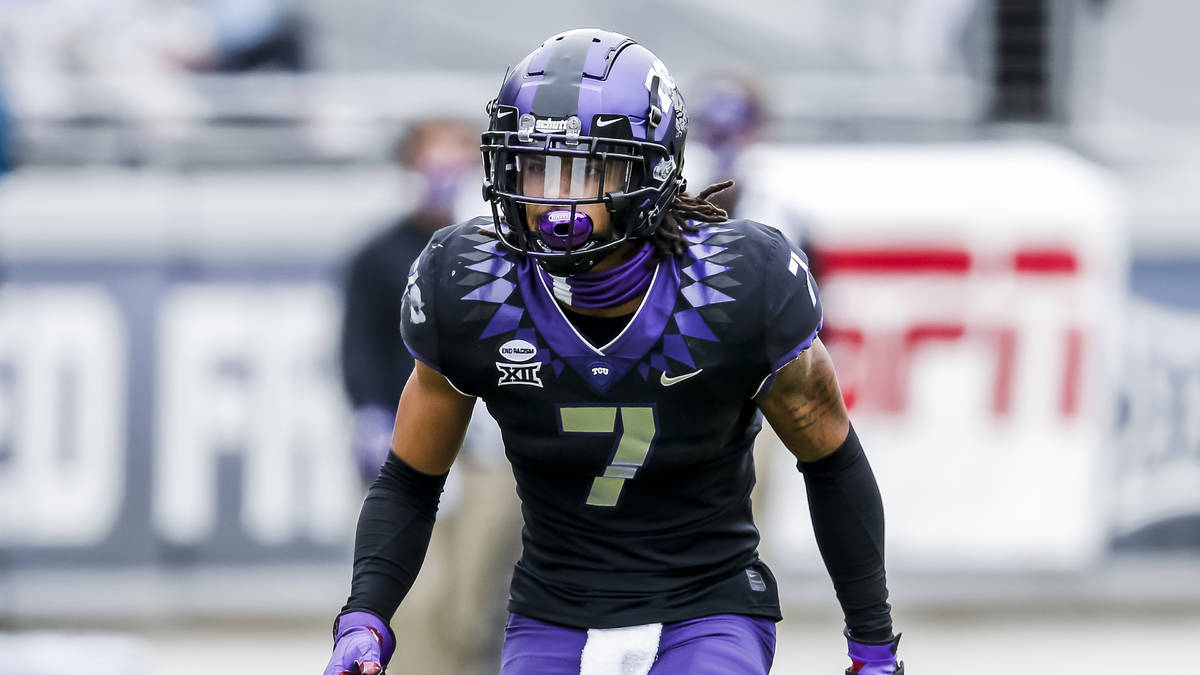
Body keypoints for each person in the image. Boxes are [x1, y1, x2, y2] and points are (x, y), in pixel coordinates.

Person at [324, 28, 903, 675]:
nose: (551, 198)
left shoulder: (740, 281)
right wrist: (365, 614)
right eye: (537, 165)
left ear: (649, 171)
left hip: (707, 607)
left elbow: (832, 460)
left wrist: (872, 642)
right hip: (552, 615)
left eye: (583, 168)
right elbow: (410, 477)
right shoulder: (469, 282)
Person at [340, 118, 479, 485]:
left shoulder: (500, 255)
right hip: (408, 435)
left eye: (457, 167)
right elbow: (359, 347)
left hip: (485, 448)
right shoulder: (378, 255)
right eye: (435, 166)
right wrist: (371, 415)